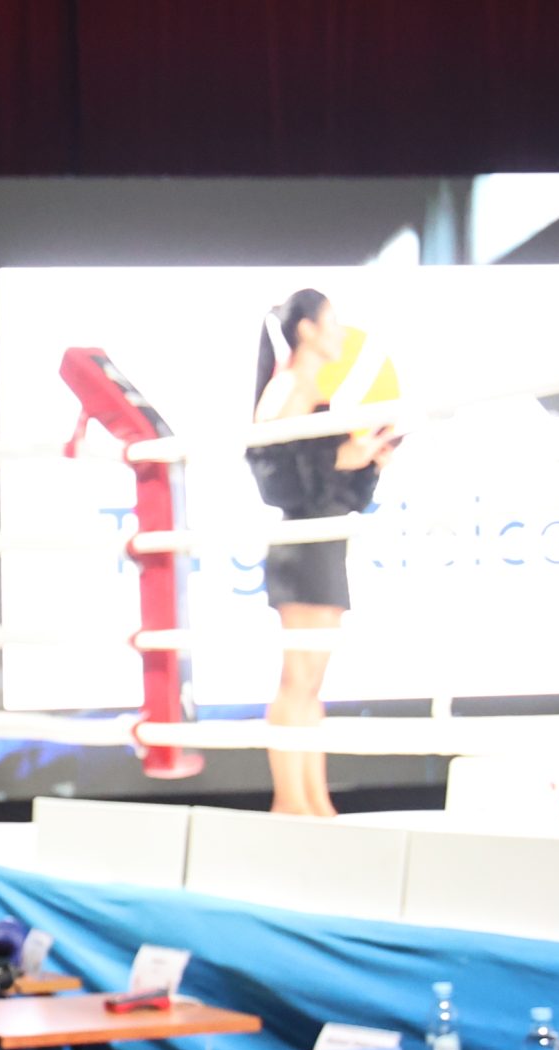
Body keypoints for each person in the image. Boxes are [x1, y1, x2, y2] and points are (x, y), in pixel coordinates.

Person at [245, 288, 394, 817]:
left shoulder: (310, 390)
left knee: (312, 685)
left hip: (325, 544)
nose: (341, 333)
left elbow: (333, 486)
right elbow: (277, 479)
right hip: (303, 546)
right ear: (307, 329)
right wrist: (341, 458)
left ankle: (315, 801)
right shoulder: (287, 388)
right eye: (332, 321)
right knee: (298, 680)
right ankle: (290, 801)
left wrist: (368, 460)